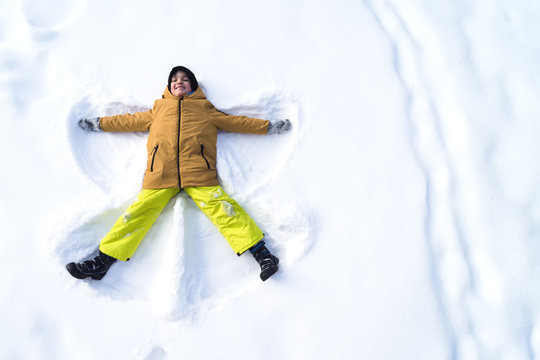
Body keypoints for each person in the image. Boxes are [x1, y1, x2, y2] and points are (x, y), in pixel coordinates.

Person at [66, 66, 291, 282]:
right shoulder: (159, 110)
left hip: (199, 174)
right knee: (136, 214)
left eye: (184, 79)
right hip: (160, 174)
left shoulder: (206, 110)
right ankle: (101, 262)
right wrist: (98, 124)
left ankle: (264, 256)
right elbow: (127, 121)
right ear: (169, 87)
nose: (179, 82)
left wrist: (268, 127)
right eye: (174, 80)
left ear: (192, 85)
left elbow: (238, 122)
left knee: (225, 210)